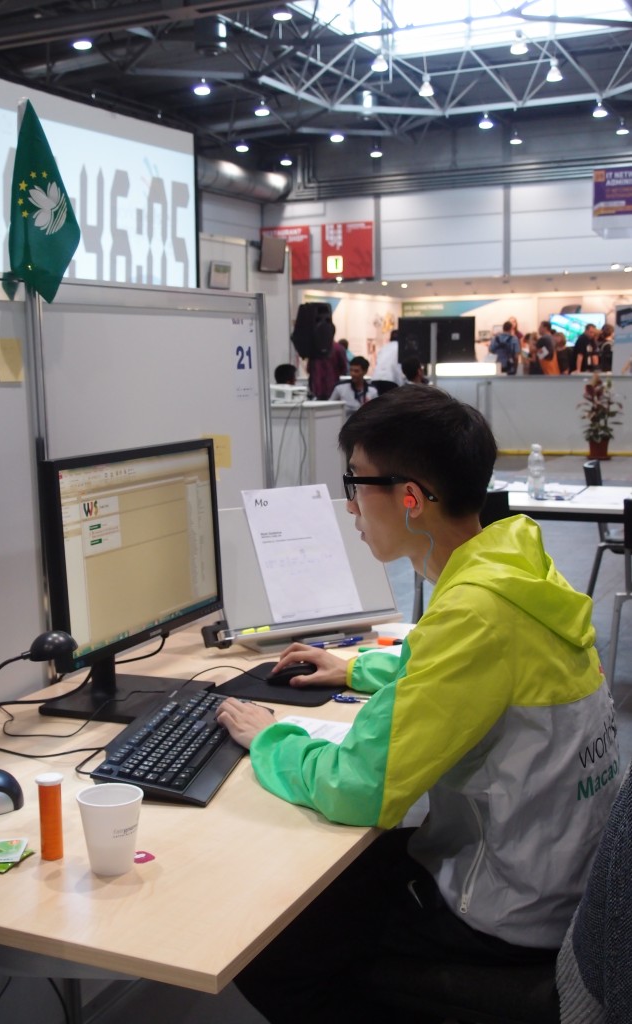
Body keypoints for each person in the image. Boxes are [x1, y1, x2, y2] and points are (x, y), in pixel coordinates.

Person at [216, 385, 619, 1024]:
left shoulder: (474, 617)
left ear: (410, 497)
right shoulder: (516, 567)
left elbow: (358, 787)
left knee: (263, 945)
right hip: (561, 874)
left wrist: (272, 737)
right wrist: (356, 667)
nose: (351, 505)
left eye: (356, 483)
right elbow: (478, 670)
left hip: (506, 910)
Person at [307, 326, 348, 400]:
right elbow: (344, 369)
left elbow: (309, 369)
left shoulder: (313, 349)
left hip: (317, 389)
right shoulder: (339, 348)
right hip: (331, 388)